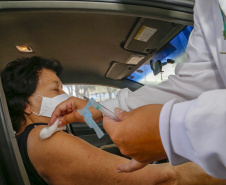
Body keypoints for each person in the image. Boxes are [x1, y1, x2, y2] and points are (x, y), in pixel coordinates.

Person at [49, 0, 226, 179]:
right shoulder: (206, 6)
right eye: (55, 90)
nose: (62, 96)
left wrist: (172, 130)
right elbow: (195, 84)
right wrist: (98, 107)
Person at [3, 56, 226, 185]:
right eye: (56, 89)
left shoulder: (30, 138)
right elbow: (164, 179)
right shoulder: (45, 141)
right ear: (26, 104)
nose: (65, 96)